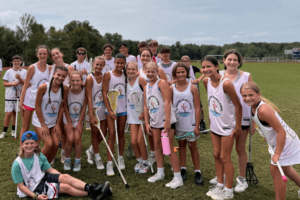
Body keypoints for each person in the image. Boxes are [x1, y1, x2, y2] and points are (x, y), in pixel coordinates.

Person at [241, 82, 300, 200]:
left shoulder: (263, 110)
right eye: (244, 96)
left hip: (285, 142)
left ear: (258, 94)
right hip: (281, 140)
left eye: (251, 95)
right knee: (286, 169)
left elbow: (281, 132)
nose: (247, 98)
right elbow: (258, 118)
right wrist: (254, 125)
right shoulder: (254, 106)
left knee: (276, 171)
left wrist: (277, 153)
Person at [12, 130, 112, 199]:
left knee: (66, 177)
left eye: (32, 143)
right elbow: (21, 186)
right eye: (26, 143)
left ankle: (93, 188)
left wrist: (62, 177)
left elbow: (50, 170)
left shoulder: (39, 155)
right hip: (33, 188)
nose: (29, 146)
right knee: (65, 187)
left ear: (37, 143)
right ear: (22, 144)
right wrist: (36, 196)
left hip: (42, 177)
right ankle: (95, 193)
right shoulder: (17, 164)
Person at [210, 49, 254, 192]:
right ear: (223, 60)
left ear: (239, 62)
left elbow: (253, 99)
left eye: (235, 60)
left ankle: (242, 179)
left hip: (243, 118)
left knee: (240, 148)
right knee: (222, 153)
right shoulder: (219, 75)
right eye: (229, 59)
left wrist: (253, 122)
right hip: (223, 120)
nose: (232, 62)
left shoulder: (246, 76)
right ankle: (221, 176)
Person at [202, 56, 242, 200]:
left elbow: (238, 105)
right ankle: (220, 185)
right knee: (216, 155)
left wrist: (237, 127)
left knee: (225, 157)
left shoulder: (226, 84)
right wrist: (211, 117)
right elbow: (213, 100)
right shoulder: (206, 81)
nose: (206, 70)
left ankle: (228, 190)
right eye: (204, 67)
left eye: (209, 67)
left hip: (227, 127)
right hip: (215, 125)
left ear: (217, 66)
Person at [144, 62, 183, 189]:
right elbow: (146, 106)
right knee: (157, 147)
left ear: (157, 72)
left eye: (153, 72)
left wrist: (167, 121)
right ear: (145, 71)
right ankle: (160, 172)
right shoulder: (146, 86)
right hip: (154, 122)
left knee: (168, 149)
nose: (150, 74)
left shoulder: (161, 83)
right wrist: (147, 122)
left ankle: (178, 177)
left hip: (166, 123)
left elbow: (167, 102)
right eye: (148, 71)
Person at [170, 62, 203, 185]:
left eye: (182, 72)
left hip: (191, 123)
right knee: (182, 145)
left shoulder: (192, 88)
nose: (180, 74)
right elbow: (170, 106)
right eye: (178, 72)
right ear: (174, 74)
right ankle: (183, 169)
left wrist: (197, 125)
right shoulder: (171, 88)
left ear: (187, 73)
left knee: (193, 147)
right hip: (178, 123)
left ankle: (197, 171)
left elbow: (197, 107)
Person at [32, 66, 68, 163]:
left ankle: (45, 166)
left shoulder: (65, 89)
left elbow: (62, 107)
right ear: (53, 74)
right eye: (58, 75)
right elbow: (37, 107)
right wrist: (43, 125)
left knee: (56, 144)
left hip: (53, 122)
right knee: (49, 144)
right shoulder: (43, 87)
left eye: (63, 76)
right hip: (40, 121)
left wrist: (57, 124)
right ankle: (34, 165)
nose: (60, 78)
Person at [137, 48, 167, 165]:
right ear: (140, 58)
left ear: (151, 57)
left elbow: (165, 87)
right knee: (150, 133)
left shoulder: (159, 70)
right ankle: (154, 153)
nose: (145, 58)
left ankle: (165, 156)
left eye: (147, 55)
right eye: (143, 56)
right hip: (146, 106)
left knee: (163, 137)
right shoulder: (138, 72)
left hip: (160, 108)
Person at [19, 45, 52, 145]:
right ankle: (22, 148)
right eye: (40, 53)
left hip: (42, 103)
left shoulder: (50, 68)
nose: (42, 55)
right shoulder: (32, 67)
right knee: (25, 126)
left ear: (48, 55)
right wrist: (21, 102)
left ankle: (36, 148)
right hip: (29, 101)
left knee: (39, 127)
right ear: (37, 55)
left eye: (44, 54)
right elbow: (25, 85)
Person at [102, 53, 127, 176]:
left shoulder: (126, 75)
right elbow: (104, 93)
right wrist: (110, 110)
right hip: (110, 110)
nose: (119, 65)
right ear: (114, 62)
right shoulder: (108, 75)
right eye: (117, 62)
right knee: (111, 134)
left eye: (122, 63)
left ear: (124, 64)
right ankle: (109, 163)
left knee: (121, 133)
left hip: (123, 109)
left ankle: (120, 157)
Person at [49, 47, 75, 164]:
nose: (56, 56)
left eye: (57, 53)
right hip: (53, 102)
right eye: (53, 55)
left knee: (63, 130)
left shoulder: (69, 67)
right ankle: (52, 153)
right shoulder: (50, 68)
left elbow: (73, 82)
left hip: (65, 100)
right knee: (53, 128)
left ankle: (63, 152)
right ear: (51, 57)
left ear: (62, 54)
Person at [126, 61, 149, 173]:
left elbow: (148, 94)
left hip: (142, 116)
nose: (131, 71)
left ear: (137, 70)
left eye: (133, 69)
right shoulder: (125, 81)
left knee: (140, 140)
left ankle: (146, 162)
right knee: (134, 141)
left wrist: (144, 112)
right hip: (132, 116)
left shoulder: (140, 80)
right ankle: (139, 161)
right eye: (128, 69)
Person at [85, 56, 108, 170]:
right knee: (94, 134)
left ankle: (90, 150)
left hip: (103, 110)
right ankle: (98, 158)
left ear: (104, 66)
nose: (99, 67)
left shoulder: (104, 77)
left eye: (101, 65)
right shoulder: (90, 78)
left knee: (103, 134)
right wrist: (90, 114)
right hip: (93, 110)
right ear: (93, 64)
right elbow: (89, 97)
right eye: (97, 64)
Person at [63, 71, 86, 171]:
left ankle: (77, 161)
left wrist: (80, 123)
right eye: (73, 80)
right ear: (69, 80)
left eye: (78, 80)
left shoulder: (85, 90)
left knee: (77, 139)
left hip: (79, 118)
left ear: (81, 81)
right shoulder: (66, 89)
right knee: (69, 139)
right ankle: (67, 159)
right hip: (67, 118)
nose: (75, 82)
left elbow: (85, 106)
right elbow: (65, 106)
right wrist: (68, 122)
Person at [1, 55, 27, 139]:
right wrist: (13, 83)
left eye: (18, 61)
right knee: (8, 114)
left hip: (19, 96)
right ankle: (4, 131)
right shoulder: (9, 71)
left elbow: (27, 84)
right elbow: (4, 84)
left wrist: (20, 80)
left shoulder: (24, 72)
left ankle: (13, 131)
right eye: (14, 61)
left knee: (15, 114)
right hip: (9, 96)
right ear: (12, 62)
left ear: (21, 62)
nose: (16, 62)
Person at [181, 55, 208, 133]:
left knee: (199, 106)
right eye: (183, 61)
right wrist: (191, 82)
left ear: (189, 62)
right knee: (187, 106)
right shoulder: (180, 69)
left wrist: (198, 79)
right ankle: (188, 123)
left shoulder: (193, 68)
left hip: (195, 90)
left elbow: (204, 73)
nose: (185, 63)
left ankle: (202, 123)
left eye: (186, 61)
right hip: (185, 90)